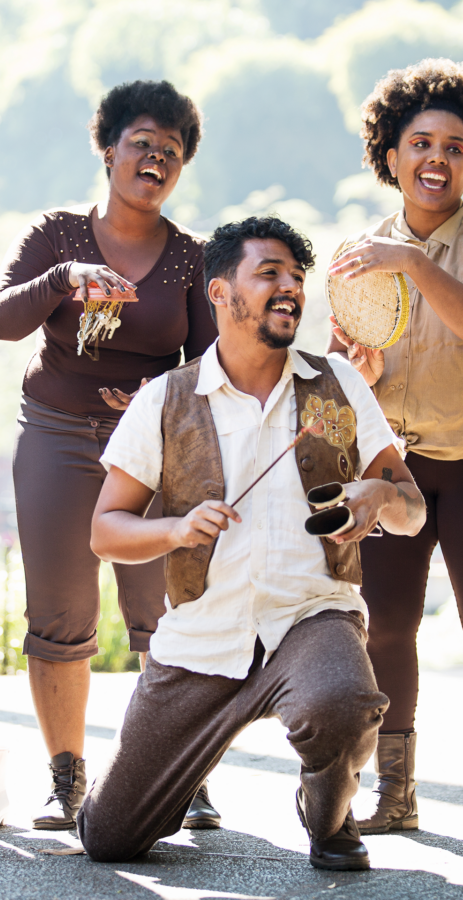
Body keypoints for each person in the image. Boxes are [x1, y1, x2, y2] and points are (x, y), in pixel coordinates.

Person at [77, 216, 426, 872]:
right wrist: (173, 529)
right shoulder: (164, 400)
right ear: (219, 292)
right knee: (110, 839)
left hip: (309, 618)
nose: (289, 286)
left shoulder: (339, 384)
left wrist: (378, 497)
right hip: (200, 640)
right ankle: (155, 788)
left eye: (296, 277)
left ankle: (327, 814)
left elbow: (409, 511)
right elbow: (106, 531)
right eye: (269, 273)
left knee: (342, 703)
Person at [0, 80, 218, 830]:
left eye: (171, 152)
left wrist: (154, 401)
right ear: (109, 149)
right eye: (142, 143)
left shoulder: (191, 259)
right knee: (60, 614)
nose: (155, 159)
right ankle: (66, 781)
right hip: (56, 435)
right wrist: (60, 282)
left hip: (149, 453)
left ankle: (179, 773)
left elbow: (206, 372)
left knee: (165, 614)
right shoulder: (56, 236)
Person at [326, 58, 463, 834]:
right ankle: (394, 793)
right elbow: (339, 383)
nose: (435, 159)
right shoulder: (359, 254)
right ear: (390, 154)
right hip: (393, 472)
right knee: (385, 629)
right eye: (420, 143)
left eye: (453, 145)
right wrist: (357, 371)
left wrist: (414, 262)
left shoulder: (405, 255)